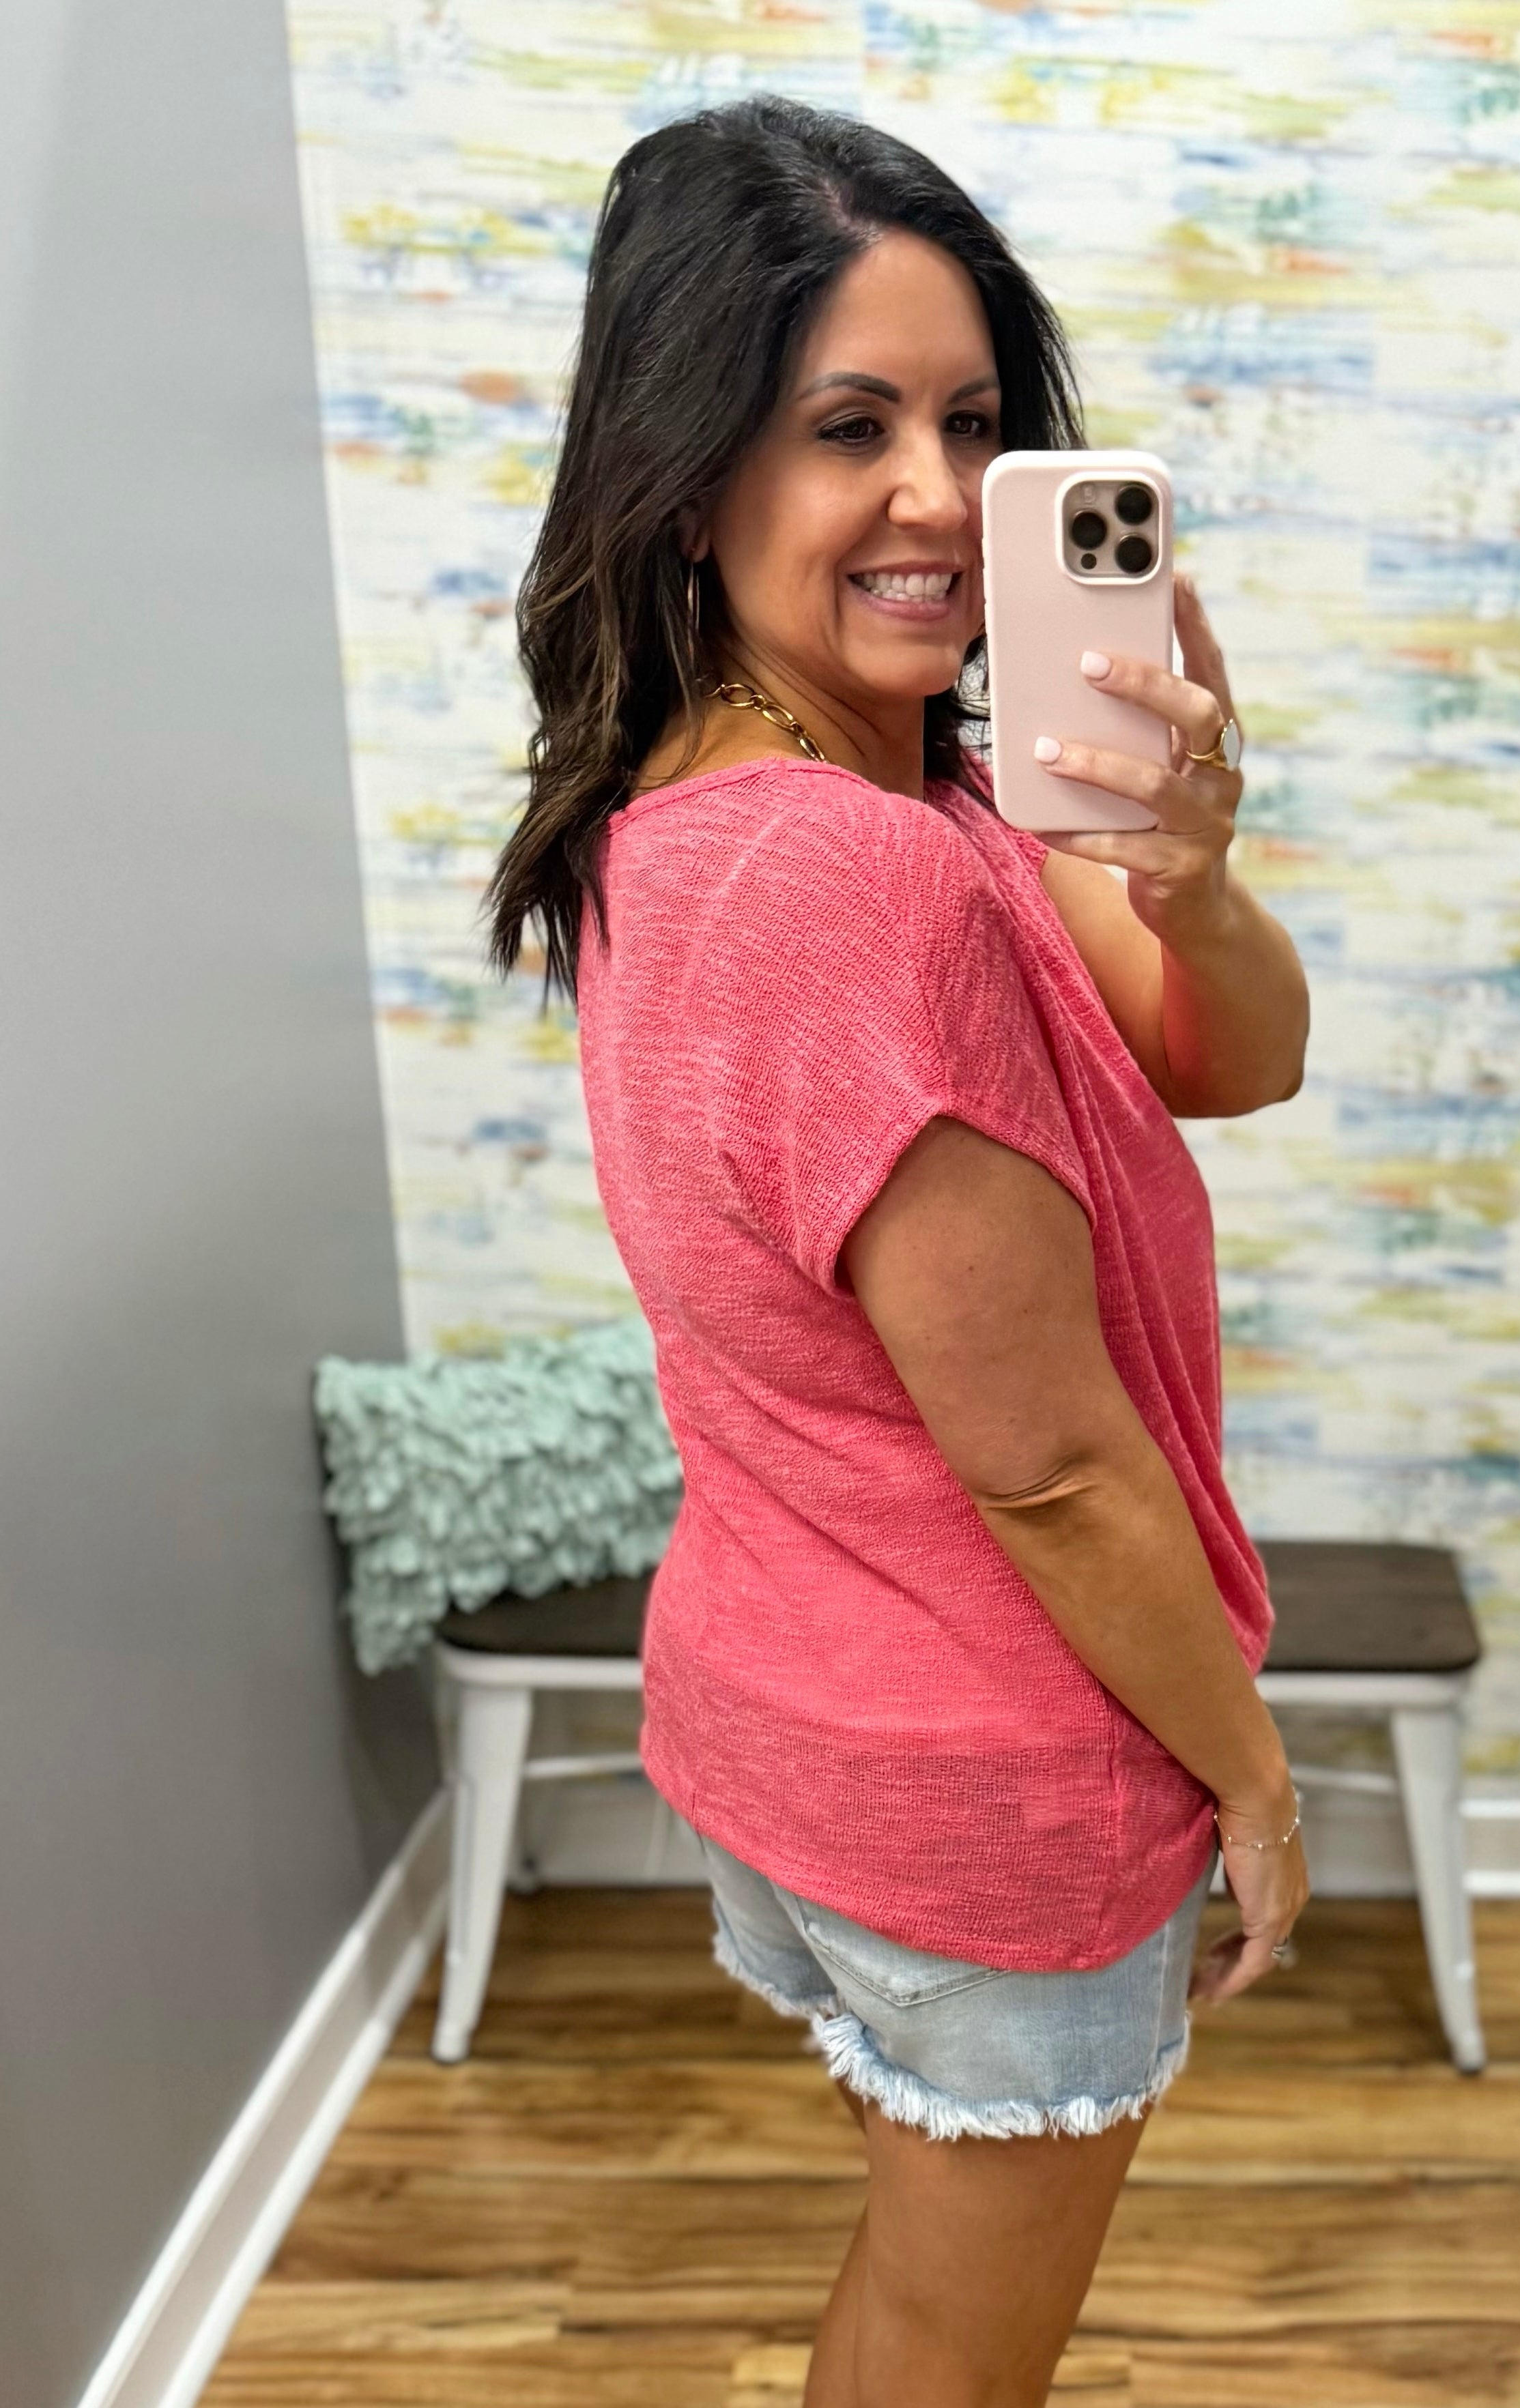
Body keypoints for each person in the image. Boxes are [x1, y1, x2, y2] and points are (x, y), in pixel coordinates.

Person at [485, 94, 1311, 2408]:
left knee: (916, 2289)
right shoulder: (854, 875)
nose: (940, 497)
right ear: (688, 472)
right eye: (851, 428)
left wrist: (1190, 871)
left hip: (800, 1718)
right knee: (960, 2356)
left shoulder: (802, 799)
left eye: (972, 423)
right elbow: (1046, 1460)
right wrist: (1256, 1777)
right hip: (986, 1773)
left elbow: (1236, 1059)